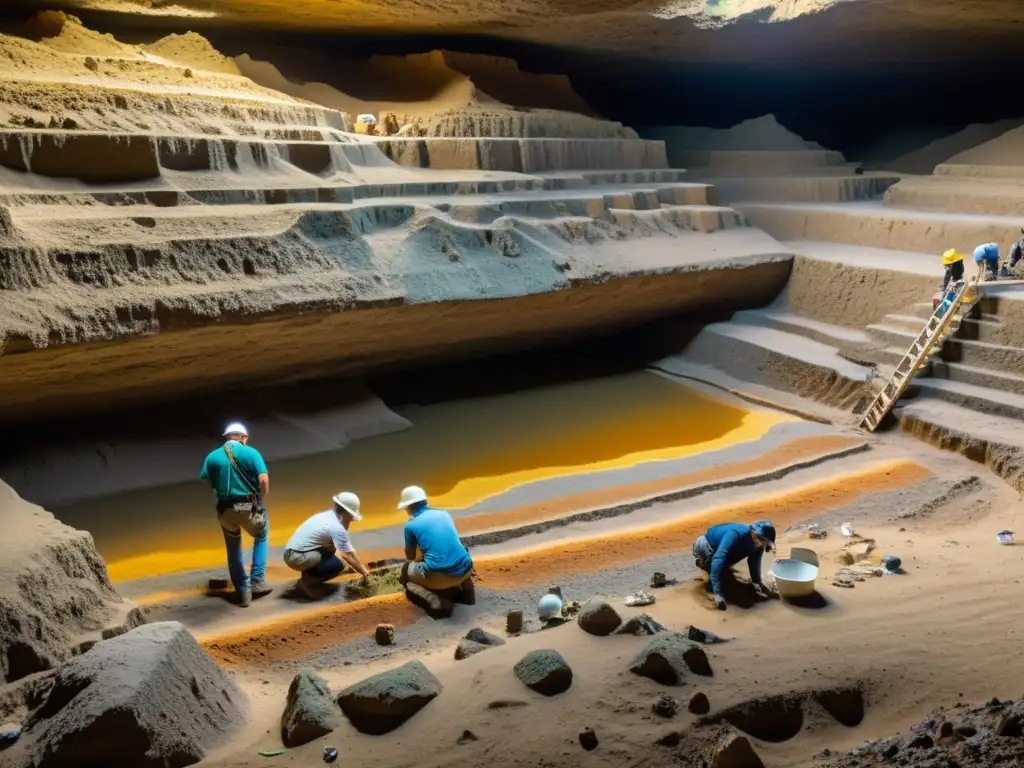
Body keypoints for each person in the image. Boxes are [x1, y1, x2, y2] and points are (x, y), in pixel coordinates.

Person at [199, 422, 272, 607]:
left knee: (233, 548)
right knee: (261, 535)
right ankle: (257, 580)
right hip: (248, 507)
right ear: (241, 437)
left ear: (227, 437)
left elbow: (207, 481)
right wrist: (261, 500)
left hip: (226, 510)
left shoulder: (212, 457)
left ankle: (243, 591)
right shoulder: (251, 453)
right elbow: (263, 479)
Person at [283, 491, 371, 599]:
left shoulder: (329, 515)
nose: (351, 521)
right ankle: (308, 584)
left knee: (331, 549)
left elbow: (349, 551)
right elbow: (347, 555)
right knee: (338, 565)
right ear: (346, 514)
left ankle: (308, 576)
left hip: (292, 552)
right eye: (351, 517)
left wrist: (356, 563)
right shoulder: (337, 527)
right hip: (296, 557)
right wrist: (365, 574)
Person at [397, 486, 474, 602]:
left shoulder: (410, 526)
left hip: (439, 578)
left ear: (408, 507)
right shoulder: (444, 514)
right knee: (454, 549)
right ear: (425, 501)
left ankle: (437, 598)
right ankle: (467, 586)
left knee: (407, 569)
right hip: (467, 568)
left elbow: (410, 557)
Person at [692, 520, 776, 610]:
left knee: (727, 569)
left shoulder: (759, 545)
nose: (758, 540)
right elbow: (718, 558)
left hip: (725, 550)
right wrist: (718, 594)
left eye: (762, 539)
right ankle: (705, 564)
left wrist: (757, 582)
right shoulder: (735, 533)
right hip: (705, 545)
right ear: (753, 530)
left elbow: (754, 562)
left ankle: (718, 570)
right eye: (758, 536)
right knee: (724, 583)